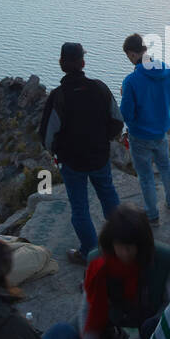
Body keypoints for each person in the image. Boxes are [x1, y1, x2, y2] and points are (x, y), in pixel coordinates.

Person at [77, 205, 170, 339]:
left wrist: (146, 338)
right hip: (115, 320)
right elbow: (88, 311)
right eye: (120, 247)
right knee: (73, 327)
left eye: (131, 248)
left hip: (150, 322)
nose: (125, 254)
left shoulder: (162, 259)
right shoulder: (97, 262)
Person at [39, 42, 123, 265]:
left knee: (80, 207)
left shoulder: (58, 96)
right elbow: (117, 121)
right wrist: (105, 138)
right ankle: (123, 243)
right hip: (99, 157)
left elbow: (47, 136)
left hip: (72, 162)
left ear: (61, 64)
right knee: (108, 195)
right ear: (83, 63)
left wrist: (58, 151)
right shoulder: (100, 88)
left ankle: (89, 252)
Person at [120, 33, 170, 225]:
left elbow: (127, 114)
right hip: (161, 131)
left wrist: (124, 95)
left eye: (127, 56)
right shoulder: (167, 71)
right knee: (165, 167)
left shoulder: (131, 81)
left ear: (132, 54)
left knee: (146, 175)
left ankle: (152, 215)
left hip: (139, 135)